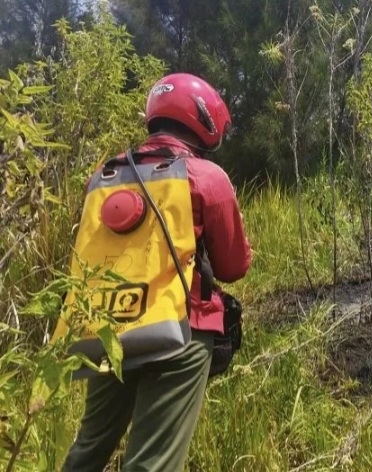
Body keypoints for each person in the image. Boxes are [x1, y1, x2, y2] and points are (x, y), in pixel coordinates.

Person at [62, 73, 251, 472]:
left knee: (87, 450)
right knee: (152, 463)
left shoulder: (104, 175)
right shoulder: (206, 177)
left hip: (108, 332)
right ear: (204, 119)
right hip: (178, 333)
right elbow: (235, 267)